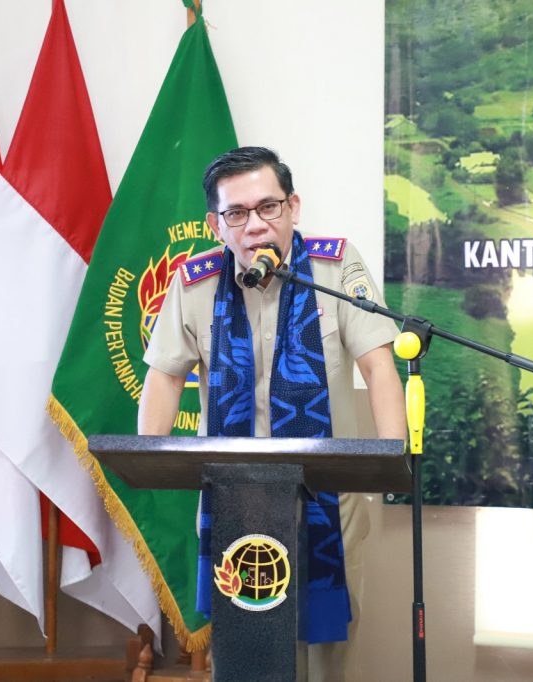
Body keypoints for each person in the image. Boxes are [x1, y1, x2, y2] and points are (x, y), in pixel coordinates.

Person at [138, 146, 406, 681]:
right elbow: (164, 377)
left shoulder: (334, 266)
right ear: (216, 225)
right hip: (235, 502)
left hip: (328, 498)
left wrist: (390, 461)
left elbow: (379, 366)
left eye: (268, 207)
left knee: (329, 660)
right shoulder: (194, 283)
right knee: (243, 653)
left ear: (293, 207)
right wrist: (150, 462)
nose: (256, 225)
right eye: (237, 213)